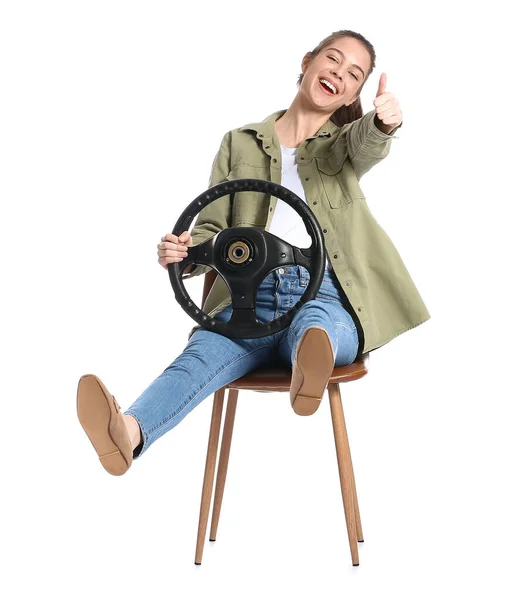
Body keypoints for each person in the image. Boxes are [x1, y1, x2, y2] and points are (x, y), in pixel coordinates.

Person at [77, 29, 430, 476]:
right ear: (308, 61)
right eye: (333, 60)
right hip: (245, 299)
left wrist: (385, 123)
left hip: (322, 292)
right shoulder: (239, 142)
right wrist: (185, 251)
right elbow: (210, 224)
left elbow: (368, 143)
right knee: (199, 357)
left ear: (354, 95)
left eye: (353, 74)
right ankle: (126, 433)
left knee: (319, 328)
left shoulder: (345, 144)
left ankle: (309, 366)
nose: (338, 74)